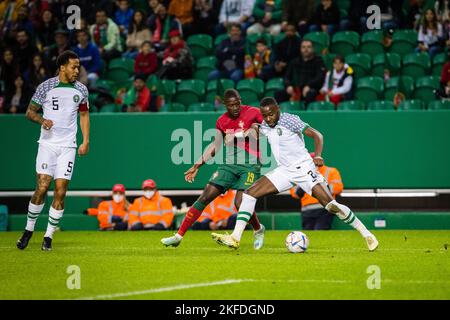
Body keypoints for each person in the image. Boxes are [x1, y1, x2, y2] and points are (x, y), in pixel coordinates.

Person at [212, 97, 378, 252]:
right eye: (265, 115)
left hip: (304, 169)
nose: (268, 118)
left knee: (330, 205)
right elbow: (254, 131)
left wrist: (318, 156)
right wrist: (234, 137)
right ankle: (235, 237)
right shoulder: (265, 125)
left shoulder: (289, 120)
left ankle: (367, 234)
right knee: (249, 194)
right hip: (284, 171)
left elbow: (317, 135)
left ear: (278, 109)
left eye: (271, 114)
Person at [161, 89, 265, 249]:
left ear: (240, 100)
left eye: (238, 103)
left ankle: (258, 229)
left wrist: (241, 134)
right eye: (231, 105)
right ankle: (178, 236)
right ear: (225, 105)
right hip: (229, 164)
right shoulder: (221, 121)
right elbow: (215, 145)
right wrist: (197, 165)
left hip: (251, 164)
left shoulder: (253, 112)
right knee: (205, 196)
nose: (236, 107)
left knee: (240, 203)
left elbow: (259, 131)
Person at [16, 50, 90, 251]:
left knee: (61, 191)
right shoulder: (46, 87)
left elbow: (84, 115)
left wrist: (85, 141)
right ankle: (28, 230)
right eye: (73, 67)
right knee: (42, 186)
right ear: (62, 67)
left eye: (78, 67)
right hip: (47, 145)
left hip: (68, 146)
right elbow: (29, 112)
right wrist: (42, 120)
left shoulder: (81, 90)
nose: (77, 70)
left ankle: (48, 237)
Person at [290, 152, 343, 230]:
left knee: (320, 232)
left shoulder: (330, 171)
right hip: (306, 211)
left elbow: (338, 187)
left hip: (325, 208)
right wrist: (302, 188)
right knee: (308, 235)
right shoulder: (300, 174)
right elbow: (294, 193)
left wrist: (319, 187)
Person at [275, 40, 326, 106]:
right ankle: (279, 115)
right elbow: (286, 76)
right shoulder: (294, 62)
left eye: (308, 47)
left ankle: (308, 115)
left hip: (312, 89)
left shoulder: (318, 61)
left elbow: (320, 77)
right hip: (296, 90)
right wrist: (288, 85)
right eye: (303, 47)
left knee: (311, 93)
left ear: (313, 49)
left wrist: (309, 86)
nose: (306, 49)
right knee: (278, 93)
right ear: (300, 49)